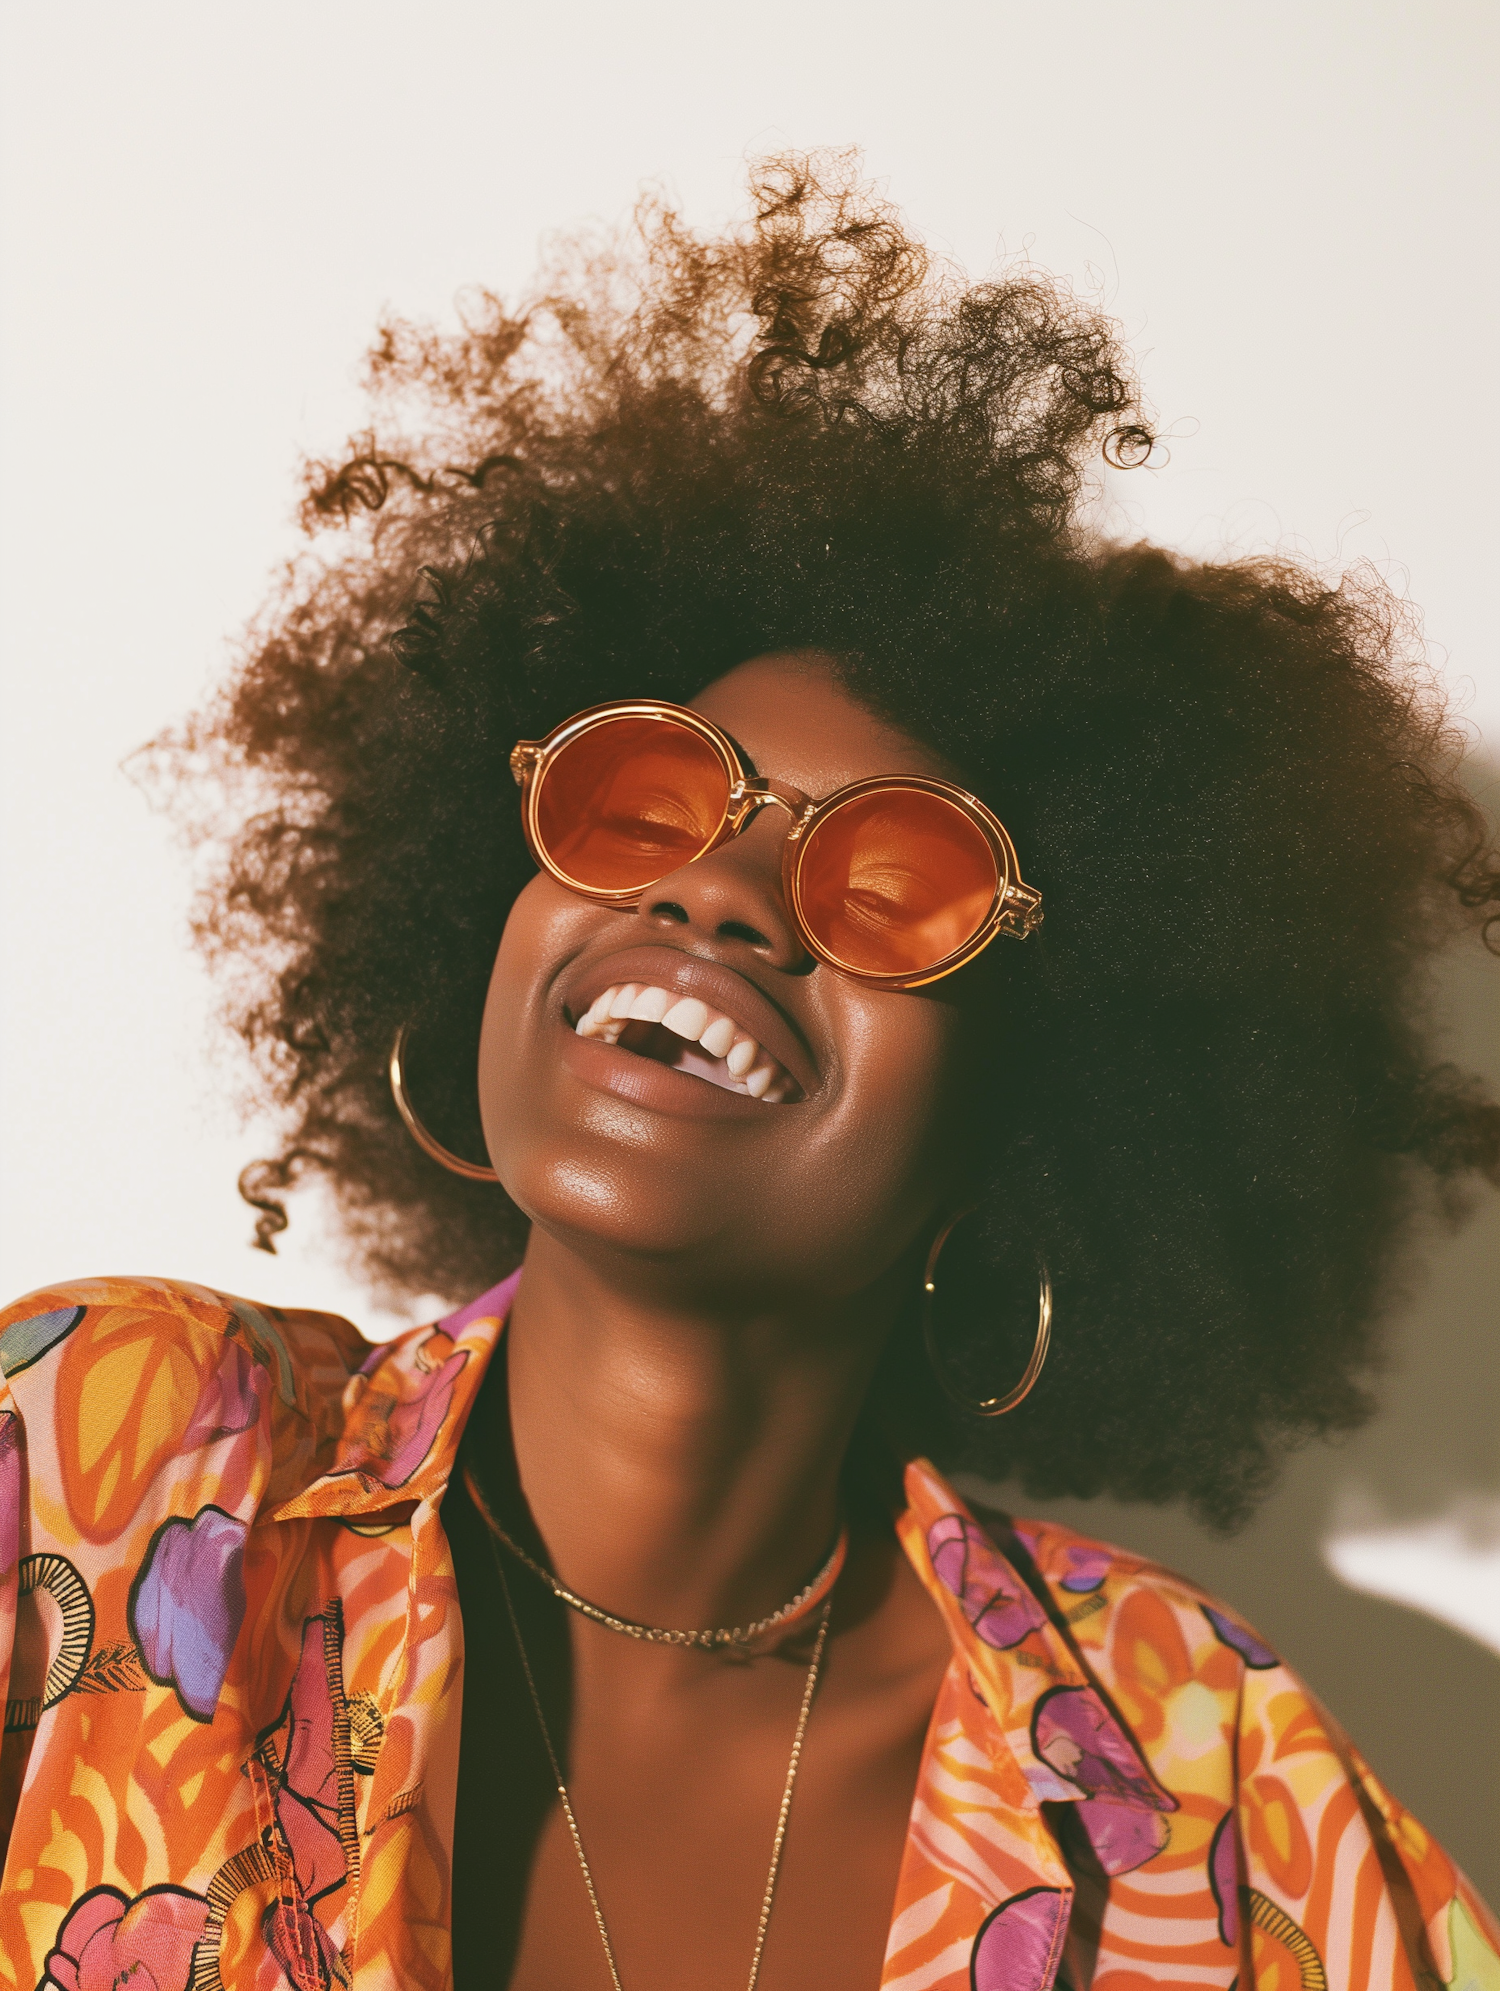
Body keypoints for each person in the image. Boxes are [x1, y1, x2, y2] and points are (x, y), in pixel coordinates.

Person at [0, 155, 1496, 1991]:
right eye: (647, 800)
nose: (717, 894)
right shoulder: (102, 1465)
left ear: (1038, 1113)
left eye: (893, 885)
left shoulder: (1222, 1791)